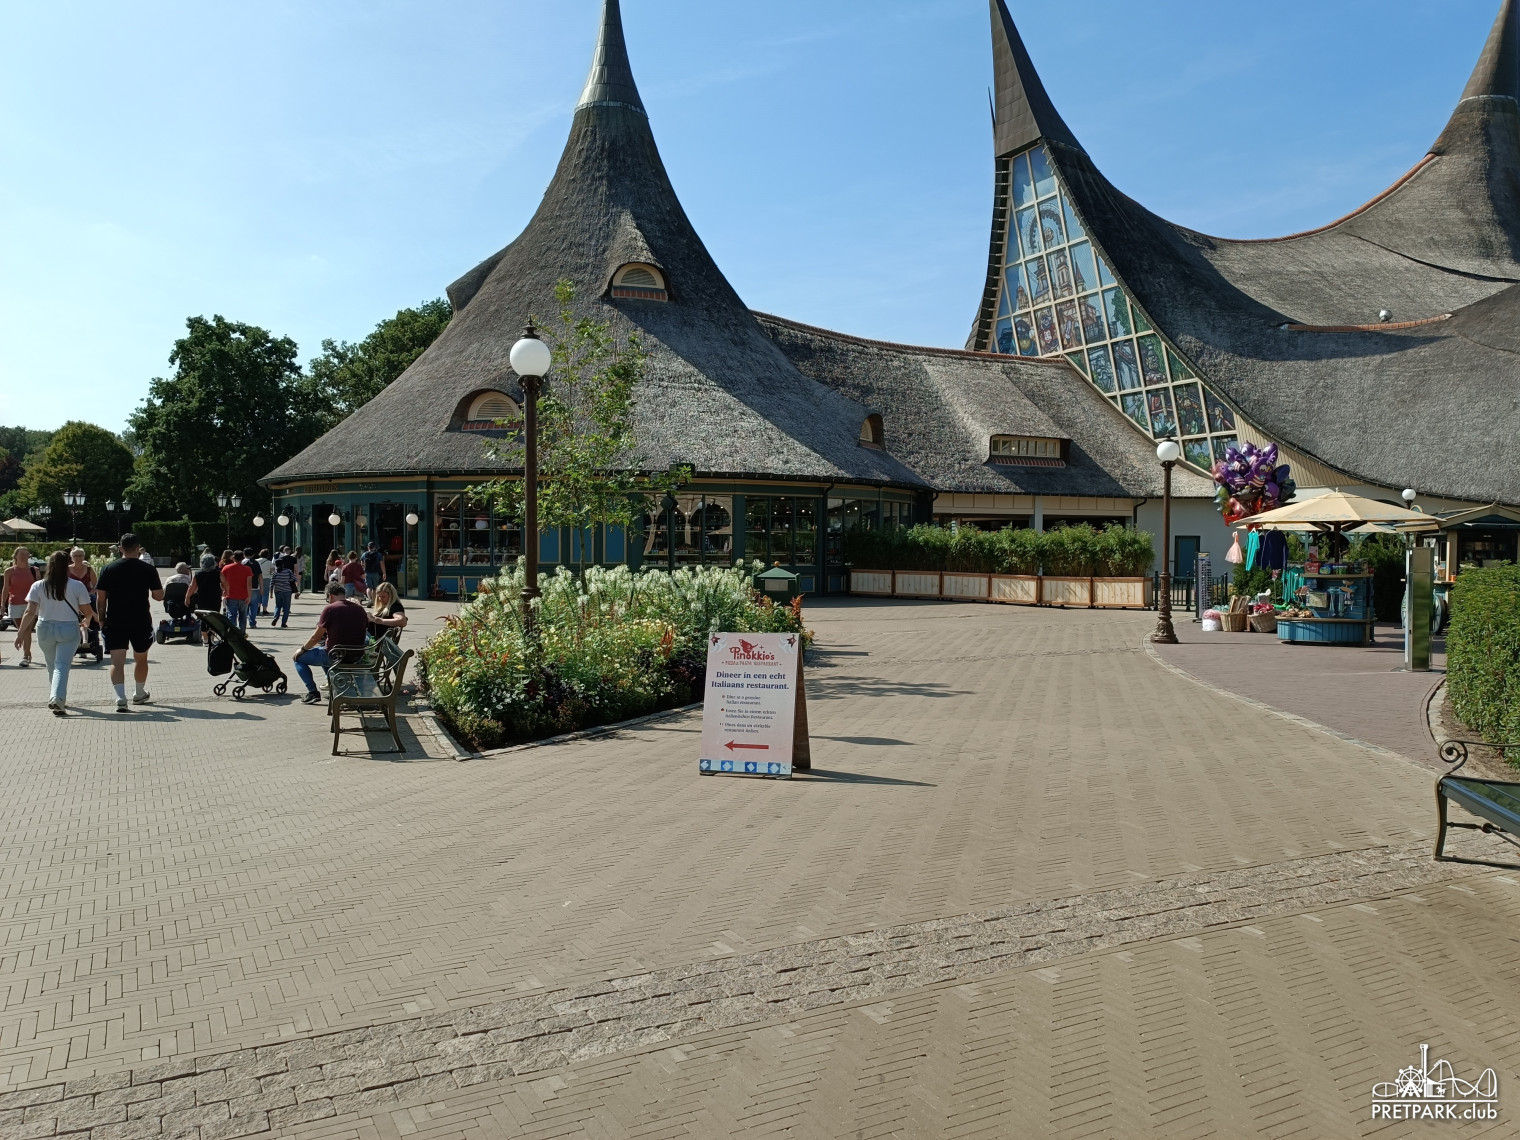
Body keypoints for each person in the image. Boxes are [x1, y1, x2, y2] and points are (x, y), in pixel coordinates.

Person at [14, 550, 95, 716]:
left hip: (44, 628)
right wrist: (86, 620)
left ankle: (57, 697)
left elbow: (30, 612)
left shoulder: (38, 585)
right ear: (67, 565)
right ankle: (57, 698)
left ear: (49, 565)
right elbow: (87, 611)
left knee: (52, 665)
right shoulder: (77, 585)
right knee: (62, 665)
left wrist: (20, 633)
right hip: (68, 629)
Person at [95, 533, 164, 712]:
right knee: (141, 658)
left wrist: (101, 619)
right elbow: (158, 596)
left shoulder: (108, 568)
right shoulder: (148, 569)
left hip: (115, 619)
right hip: (140, 619)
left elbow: (101, 598)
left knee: (117, 662)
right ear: (138, 548)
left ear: (120, 549)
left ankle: (120, 698)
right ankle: (139, 693)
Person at [292, 581, 369, 705]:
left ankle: (313, 692)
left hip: (335, 655)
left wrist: (302, 649)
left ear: (330, 596)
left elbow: (315, 637)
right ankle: (334, 687)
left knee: (298, 659)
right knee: (324, 650)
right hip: (355, 655)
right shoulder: (359, 609)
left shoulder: (330, 609)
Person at [4, 547, 38, 667]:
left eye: (26, 554)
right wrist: (2, 605)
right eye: (21, 554)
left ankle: (25, 655)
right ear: (15, 556)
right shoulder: (9, 571)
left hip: (31, 603)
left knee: (27, 629)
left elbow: (39, 588)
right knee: (21, 629)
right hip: (15, 603)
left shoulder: (34, 570)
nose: (24, 556)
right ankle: (27, 653)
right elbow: (6, 589)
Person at [68, 547, 102, 663]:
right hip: (71, 596)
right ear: (72, 557)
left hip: (87, 595)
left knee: (92, 599)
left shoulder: (89, 569)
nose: (78, 558)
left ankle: (93, 622)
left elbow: (96, 584)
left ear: (83, 556)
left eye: (80, 555)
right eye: (75, 556)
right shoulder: (67, 570)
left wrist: (91, 592)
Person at [184, 553, 223, 644]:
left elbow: (192, 587)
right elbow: (225, 583)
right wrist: (226, 591)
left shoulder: (198, 573)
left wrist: (187, 597)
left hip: (202, 598)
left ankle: (205, 639)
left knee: (203, 618)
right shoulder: (218, 573)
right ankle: (212, 638)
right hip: (215, 598)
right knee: (214, 618)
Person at [221, 550, 254, 631]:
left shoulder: (226, 568)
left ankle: (233, 633)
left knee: (231, 616)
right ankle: (242, 634)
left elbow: (222, 582)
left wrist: (224, 590)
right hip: (244, 596)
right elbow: (249, 584)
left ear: (233, 558)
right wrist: (249, 596)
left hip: (231, 596)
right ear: (243, 558)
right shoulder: (247, 569)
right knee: (243, 616)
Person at [270, 557, 297, 628]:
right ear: (283, 564)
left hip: (278, 591)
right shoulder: (288, 571)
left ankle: (276, 617)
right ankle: (283, 623)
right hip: (287, 591)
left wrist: (271, 593)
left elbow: (272, 584)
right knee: (286, 607)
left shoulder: (275, 573)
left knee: (278, 606)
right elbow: (295, 579)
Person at [241, 549, 263, 629]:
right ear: (253, 554)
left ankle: (243, 622)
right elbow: (260, 576)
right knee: (254, 606)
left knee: (244, 606)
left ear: (244, 554)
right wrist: (262, 588)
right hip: (255, 587)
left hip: (244, 587)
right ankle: (252, 622)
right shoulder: (256, 563)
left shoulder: (242, 563)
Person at [257, 549, 275, 615]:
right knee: (265, 594)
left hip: (257, 579)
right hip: (267, 578)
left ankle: (257, 607)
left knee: (258, 593)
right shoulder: (270, 562)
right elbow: (272, 572)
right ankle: (264, 609)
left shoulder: (256, 561)